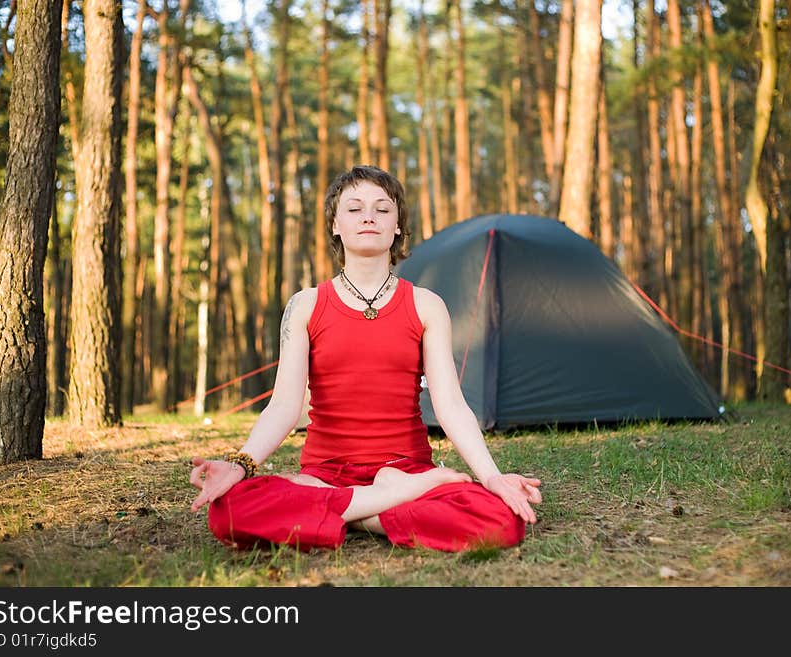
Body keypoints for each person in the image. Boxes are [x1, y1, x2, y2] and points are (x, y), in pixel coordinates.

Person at [189, 165, 542, 552]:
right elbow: (284, 406)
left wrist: (491, 478)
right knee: (227, 510)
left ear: (397, 227)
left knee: (501, 521)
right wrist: (239, 465)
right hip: (326, 476)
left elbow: (450, 405)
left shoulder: (426, 305)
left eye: (382, 208)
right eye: (354, 208)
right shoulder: (306, 305)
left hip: (405, 469)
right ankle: (381, 510)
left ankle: (333, 515)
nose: (369, 216)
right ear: (335, 225)